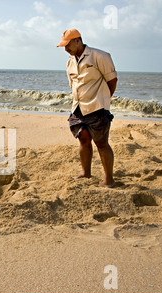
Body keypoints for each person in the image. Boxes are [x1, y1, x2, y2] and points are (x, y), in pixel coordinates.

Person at [57, 28, 118, 188]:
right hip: (78, 107)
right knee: (83, 139)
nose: (65, 49)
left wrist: (103, 100)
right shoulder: (70, 62)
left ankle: (109, 180)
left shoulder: (100, 56)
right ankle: (86, 173)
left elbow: (112, 81)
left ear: (78, 40)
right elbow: (74, 85)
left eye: (68, 44)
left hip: (97, 107)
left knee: (101, 143)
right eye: (63, 46)